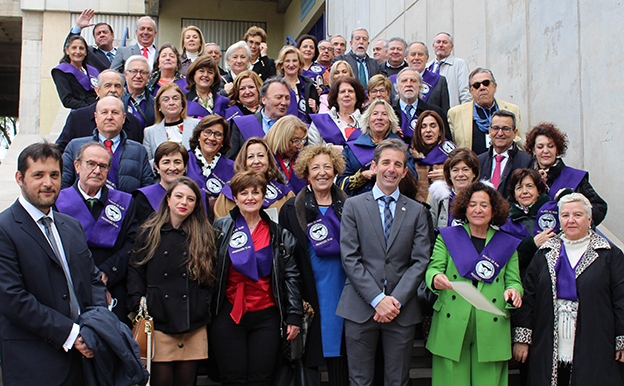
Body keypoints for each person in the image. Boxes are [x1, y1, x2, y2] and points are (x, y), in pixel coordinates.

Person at [0, 142, 107, 385]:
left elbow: (93, 280)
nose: (48, 183)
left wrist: (94, 327)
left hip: (83, 362)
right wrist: (71, 334)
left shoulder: (71, 226)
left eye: (54, 175)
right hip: (34, 363)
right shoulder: (4, 229)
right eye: (38, 175)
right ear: (20, 178)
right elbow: (11, 298)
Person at [337, 138, 431, 386]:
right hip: (360, 306)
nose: (391, 169)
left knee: (397, 381)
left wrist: (394, 301)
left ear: (404, 171)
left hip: (401, 310)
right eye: (386, 162)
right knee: (359, 381)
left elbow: (420, 261)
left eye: (398, 164)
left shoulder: (417, 211)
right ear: (374, 165)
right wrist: (378, 299)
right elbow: (349, 257)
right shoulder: (353, 206)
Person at [512, 193, 624, 386]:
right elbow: (529, 296)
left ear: (590, 219)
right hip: (547, 343)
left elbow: (621, 299)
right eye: (565, 215)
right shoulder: (545, 252)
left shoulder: (609, 254)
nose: (571, 220)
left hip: (595, 342)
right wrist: (522, 337)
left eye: (578, 215)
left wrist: (622, 338)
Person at [426, 181, 523, 386]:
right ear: (464, 208)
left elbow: (513, 281)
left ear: (494, 210)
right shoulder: (447, 237)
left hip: (491, 323)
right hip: (451, 323)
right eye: (472, 204)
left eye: (484, 205)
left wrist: (514, 291)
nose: (477, 209)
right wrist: (435, 278)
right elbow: (433, 268)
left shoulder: (507, 243)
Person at [210, 170, 302, 386]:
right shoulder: (220, 229)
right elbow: (210, 271)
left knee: (261, 379)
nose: (250, 197)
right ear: (235, 197)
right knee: (233, 378)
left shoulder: (279, 234)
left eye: (256, 192)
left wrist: (294, 314)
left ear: (263, 197)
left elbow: (291, 276)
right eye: (244, 193)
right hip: (228, 314)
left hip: (266, 315)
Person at [128, 177, 216, 386]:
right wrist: (139, 302)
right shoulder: (149, 231)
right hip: (158, 321)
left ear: (196, 205)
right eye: (178, 196)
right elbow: (135, 270)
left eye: (190, 199)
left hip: (192, 320)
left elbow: (212, 276)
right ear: (168, 199)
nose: (184, 202)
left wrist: (203, 305)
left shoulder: (204, 234)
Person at [279, 144, 349, 386]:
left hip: (345, 289)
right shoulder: (290, 209)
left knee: (342, 355)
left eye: (327, 167)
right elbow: (286, 260)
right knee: (311, 359)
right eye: (315, 167)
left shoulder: (349, 205)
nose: (322, 173)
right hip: (310, 293)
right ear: (306, 173)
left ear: (336, 171)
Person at [55, 142, 138, 325]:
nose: (97, 170)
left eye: (103, 166)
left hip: (114, 287)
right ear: (77, 166)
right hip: (68, 288)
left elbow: (133, 244)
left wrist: (108, 272)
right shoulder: (57, 203)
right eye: (90, 164)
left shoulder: (124, 202)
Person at [62, 96, 153, 193]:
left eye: (115, 112)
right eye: (104, 112)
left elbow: (146, 191)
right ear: (96, 117)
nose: (109, 117)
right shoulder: (74, 147)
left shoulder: (138, 151)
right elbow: (63, 186)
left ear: (123, 118)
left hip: (126, 207)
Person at [524, 122, 607, 226]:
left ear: (557, 149)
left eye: (550, 146)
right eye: (540, 147)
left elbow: (599, 207)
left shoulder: (574, 177)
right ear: (533, 150)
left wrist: (577, 223)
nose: (545, 151)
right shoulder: (525, 178)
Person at [56, 70, 144, 151]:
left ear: (122, 92)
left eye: (117, 86)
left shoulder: (133, 122)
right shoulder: (78, 118)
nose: (113, 90)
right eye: (107, 85)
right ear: (97, 91)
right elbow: (61, 149)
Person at [214, 137, 294, 219]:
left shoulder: (285, 195)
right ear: (243, 162)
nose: (256, 161)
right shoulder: (227, 194)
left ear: (269, 160)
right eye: (250, 157)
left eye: (260, 156)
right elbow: (220, 227)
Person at [448, 68, 522, 154]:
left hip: (504, 164)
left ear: (495, 87)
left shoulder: (512, 109)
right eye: (476, 85)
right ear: (470, 91)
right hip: (472, 165)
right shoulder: (456, 113)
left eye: (486, 83)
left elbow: (519, 141)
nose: (482, 87)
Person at [337, 99, 402, 196]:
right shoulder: (351, 149)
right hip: (359, 205)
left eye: (384, 114)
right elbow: (340, 184)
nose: (379, 118)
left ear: (391, 120)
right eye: (375, 113)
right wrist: (361, 176)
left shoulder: (401, 148)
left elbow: (411, 181)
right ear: (367, 120)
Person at [501, 168, 558, 278]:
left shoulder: (554, 214)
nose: (524, 191)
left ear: (538, 190)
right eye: (519, 188)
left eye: (530, 186)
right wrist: (531, 245)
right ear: (514, 193)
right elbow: (503, 260)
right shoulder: (505, 223)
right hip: (522, 282)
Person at [227, 77, 291, 159]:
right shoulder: (243, 124)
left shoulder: (293, 127)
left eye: (287, 98)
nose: (284, 102)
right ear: (264, 99)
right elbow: (232, 159)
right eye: (278, 97)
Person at [477, 110, 533, 199]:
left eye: (506, 129)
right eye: (496, 128)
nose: (500, 133)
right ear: (490, 131)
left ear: (515, 133)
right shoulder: (479, 161)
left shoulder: (527, 161)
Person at [133, 141, 189, 224]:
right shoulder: (144, 197)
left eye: (177, 162)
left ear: (185, 166)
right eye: (166, 162)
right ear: (156, 166)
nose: (172, 168)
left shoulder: (199, 196)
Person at [143, 83, 200, 164]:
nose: (171, 102)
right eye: (166, 99)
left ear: (182, 103)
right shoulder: (149, 132)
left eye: (175, 98)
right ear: (159, 106)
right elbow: (147, 165)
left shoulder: (197, 125)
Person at [407, 110, 456, 202]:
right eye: (423, 127)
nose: (428, 130)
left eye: (433, 126)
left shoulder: (452, 154)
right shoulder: (409, 154)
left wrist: (448, 175)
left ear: (440, 131)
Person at [186, 115, 235, 207]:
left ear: (223, 140)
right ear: (198, 135)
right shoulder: (185, 160)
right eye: (207, 132)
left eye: (218, 134)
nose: (212, 138)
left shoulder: (232, 168)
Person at [392, 67, 450, 144]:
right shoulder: (389, 113)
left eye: (413, 81)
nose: (409, 84)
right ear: (397, 88)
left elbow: (447, 142)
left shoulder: (436, 112)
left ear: (420, 88)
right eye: (404, 81)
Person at [428, 147, 480, 230]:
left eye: (465, 169)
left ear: (474, 173)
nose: (460, 174)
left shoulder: (485, 198)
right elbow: (431, 231)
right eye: (455, 170)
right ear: (449, 174)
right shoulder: (438, 198)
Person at [308, 76, 366, 149]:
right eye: (342, 92)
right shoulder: (320, 121)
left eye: (350, 91)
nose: (347, 94)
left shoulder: (367, 122)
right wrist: (331, 149)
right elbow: (311, 149)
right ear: (336, 96)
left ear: (357, 95)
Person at [52, 35, 99, 109]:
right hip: (80, 112)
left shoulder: (93, 70)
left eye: (81, 48)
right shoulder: (61, 71)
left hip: (99, 111)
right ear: (67, 51)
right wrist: (90, 108)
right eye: (74, 48)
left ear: (86, 52)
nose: (78, 51)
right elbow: (67, 100)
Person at [276, 45, 319, 124]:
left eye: (295, 61)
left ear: (300, 64)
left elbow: (316, 115)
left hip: (305, 130)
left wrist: (315, 109)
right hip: (282, 130)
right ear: (281, 64)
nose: (291, 64)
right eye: (287, 61)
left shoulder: (309, 86)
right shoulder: (275, 86)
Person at [265, 115, 309, 193]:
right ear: (280, 137)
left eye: (301, 141)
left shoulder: (304, 159)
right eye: (295, 140)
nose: (299, 146)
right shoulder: (262, 158)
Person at [427, 32, 471, 108]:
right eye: (438, 42)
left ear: (451, 47)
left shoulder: (459, 64)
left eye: (445, 42)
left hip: (451, 114)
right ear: (433, 46)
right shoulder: (427, 67)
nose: (441, 45)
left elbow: (465, 93)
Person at [407, 41, 450, 113]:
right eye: (413, 54)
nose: (416, 58)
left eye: (420, 54)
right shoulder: (394, 81)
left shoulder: (439, 81)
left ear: (427, 58)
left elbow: (444, 112)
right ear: (406, 58)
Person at [122, 55, 156, 129]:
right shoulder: (117, 100)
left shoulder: (155, 103)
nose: (138, 76)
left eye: (143, 72)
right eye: (134, 71)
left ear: (148, 76)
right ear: (126, 74)